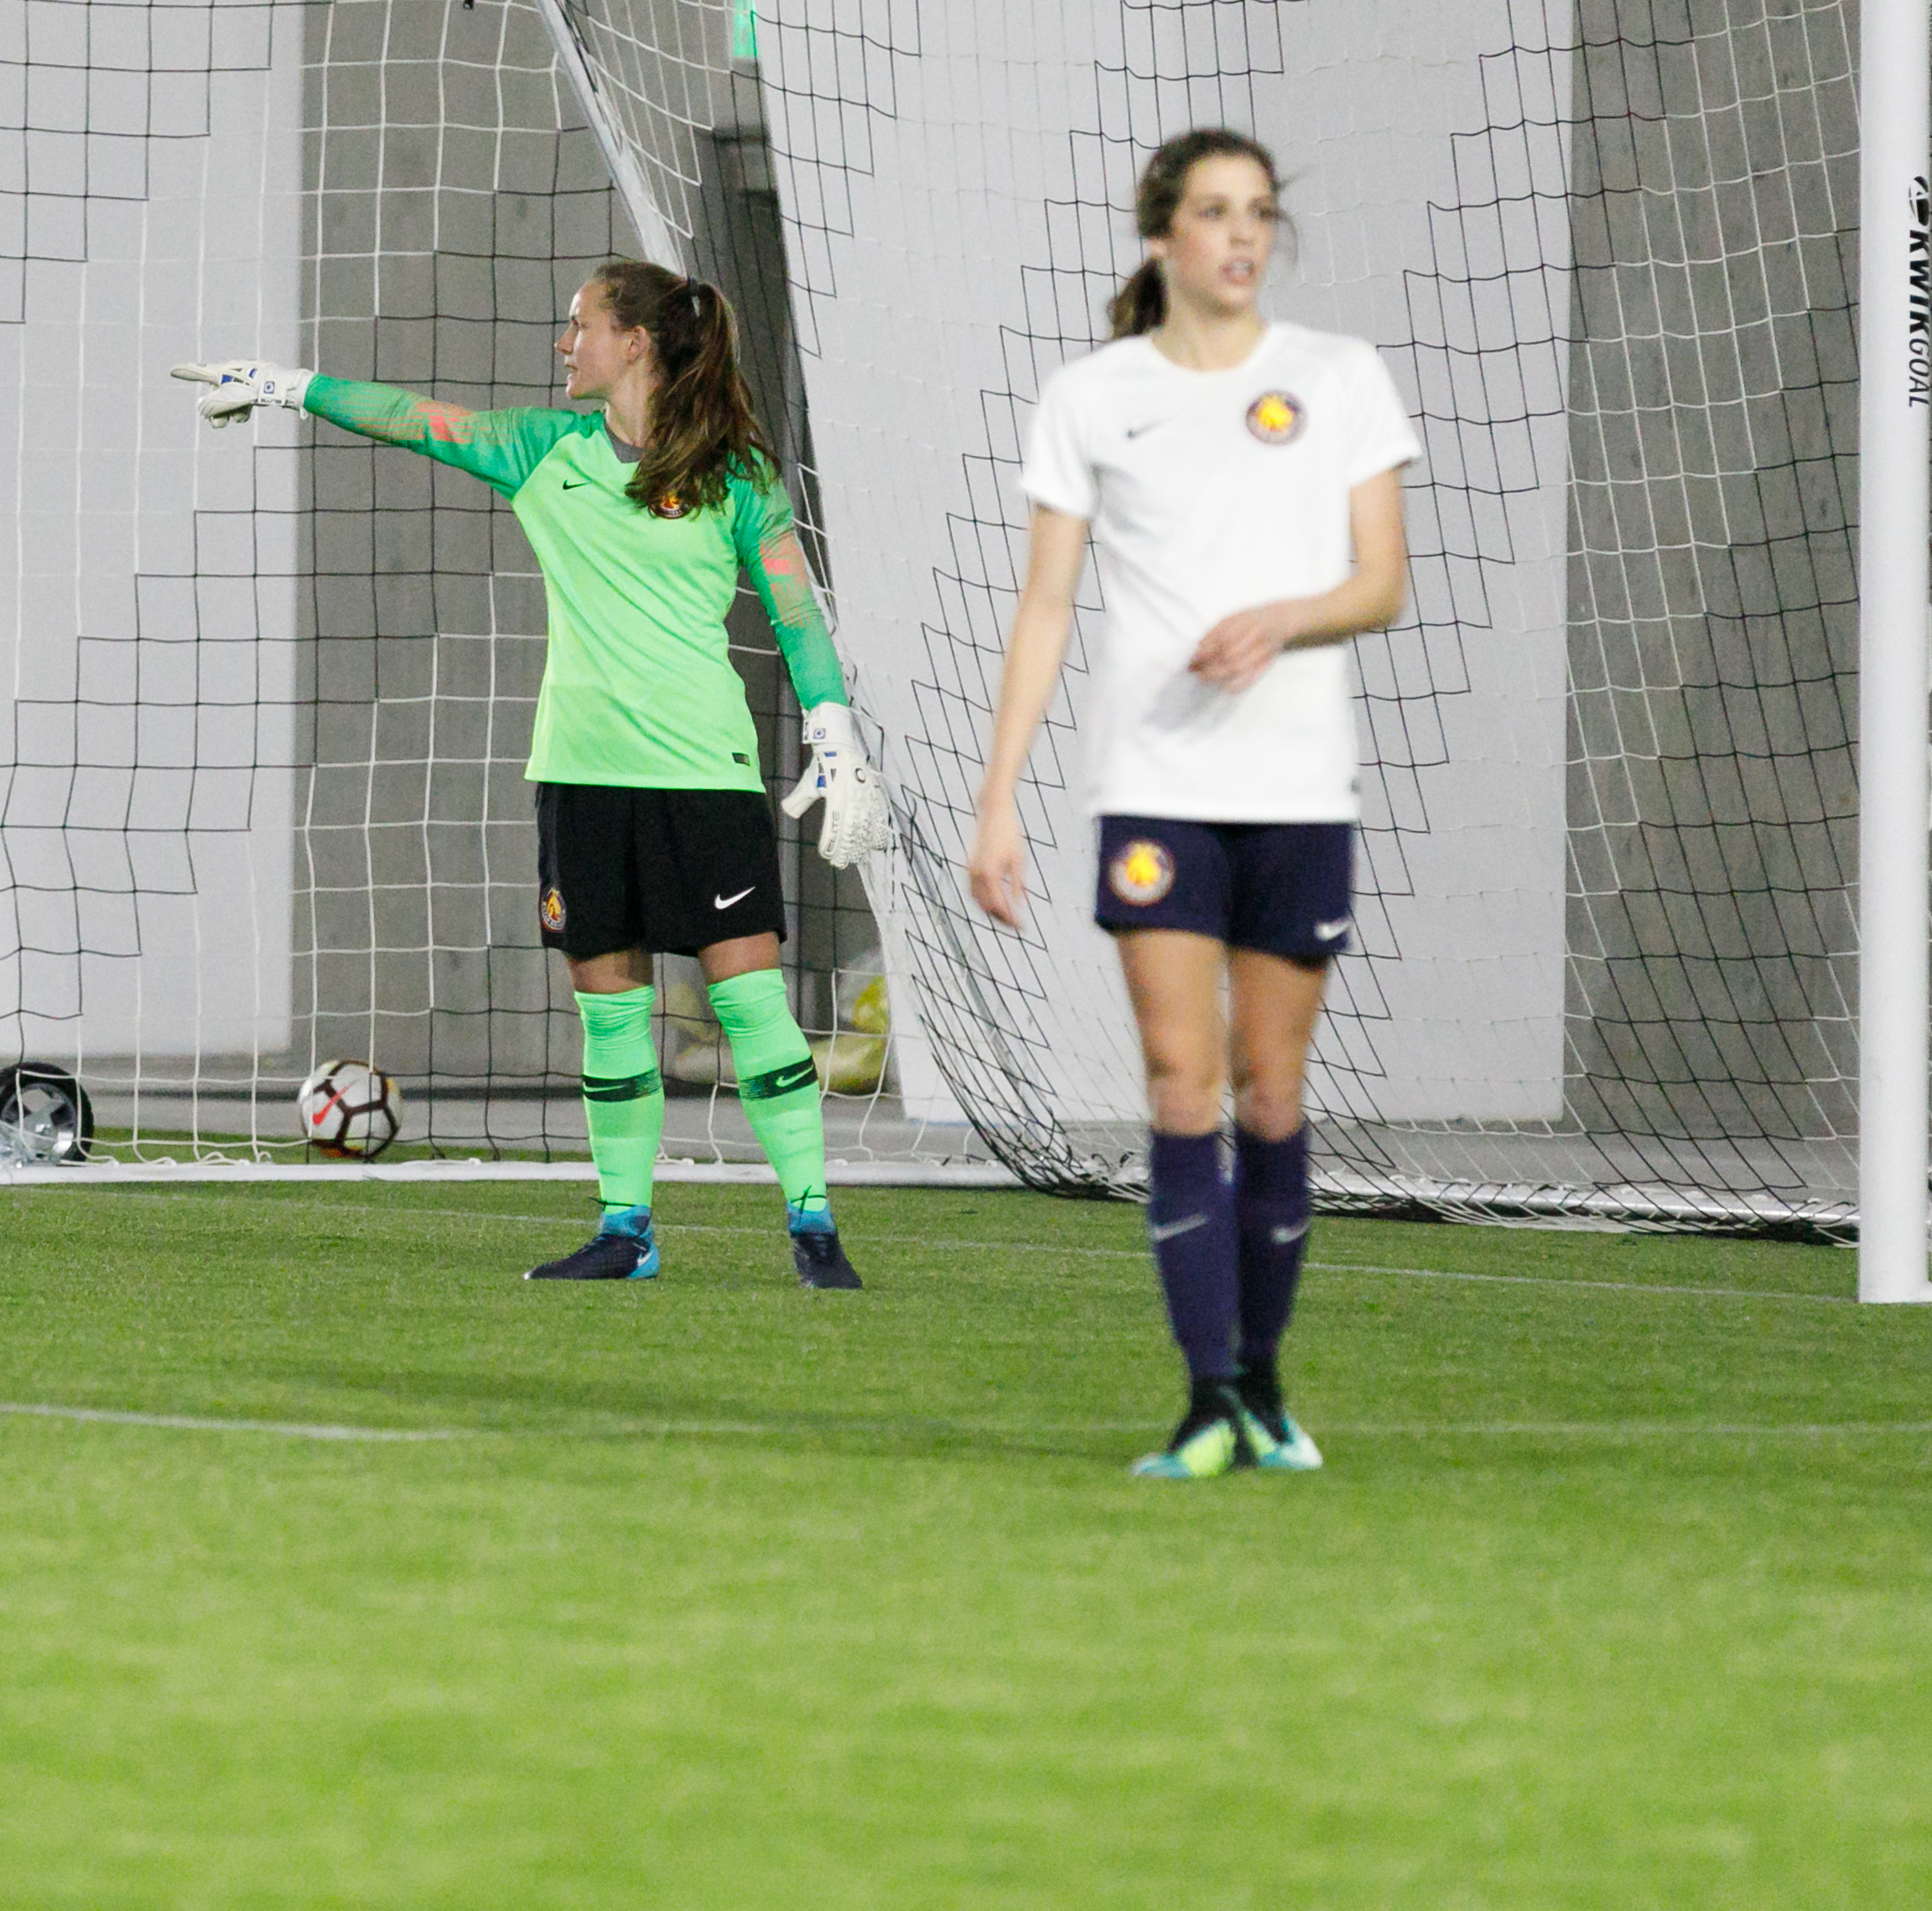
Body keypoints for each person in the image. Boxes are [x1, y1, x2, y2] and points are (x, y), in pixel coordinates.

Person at [181, 261, 894, 1285]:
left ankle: (814, 1225)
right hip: (580, 773)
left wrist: (836, 738)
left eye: (580, 326)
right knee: (610, 1013)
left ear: (635, 341)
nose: (566, 344)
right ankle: (625, 1231)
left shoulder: (737, 473)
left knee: (749, 1006)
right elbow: (415, 419)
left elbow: (794, 613)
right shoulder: (543, 449)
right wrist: (288, 384)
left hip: (706, 774)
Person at [963, 130, 1414, 1476]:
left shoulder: (1336, 378)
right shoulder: (1091, 397)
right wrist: (998, 799)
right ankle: (1206, 1391)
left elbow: (1381, 580)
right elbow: (1043, 606)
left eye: (1259, 213)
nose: (1241, 235)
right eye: (1214, 212)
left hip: (1294, 788)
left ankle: (1266, 1384)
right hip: (1152, 787)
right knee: (1182, 1076)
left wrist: (1282, 617)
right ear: (1160, 236)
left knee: (1272, 1089)